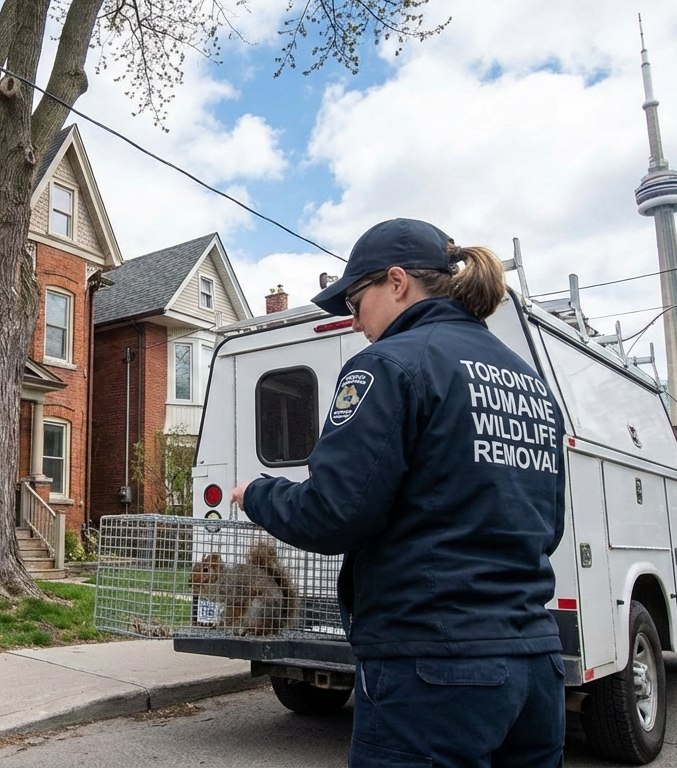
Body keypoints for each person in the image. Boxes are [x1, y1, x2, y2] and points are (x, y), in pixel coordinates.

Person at [231, 218, 567, 767]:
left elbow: (333, 513)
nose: (354, 320)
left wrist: (258, 494)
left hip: (432, 667)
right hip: (535, 665)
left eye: (355, 301)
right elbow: (548, 527)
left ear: (396, 282)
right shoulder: (528, 383)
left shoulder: (389, 364)